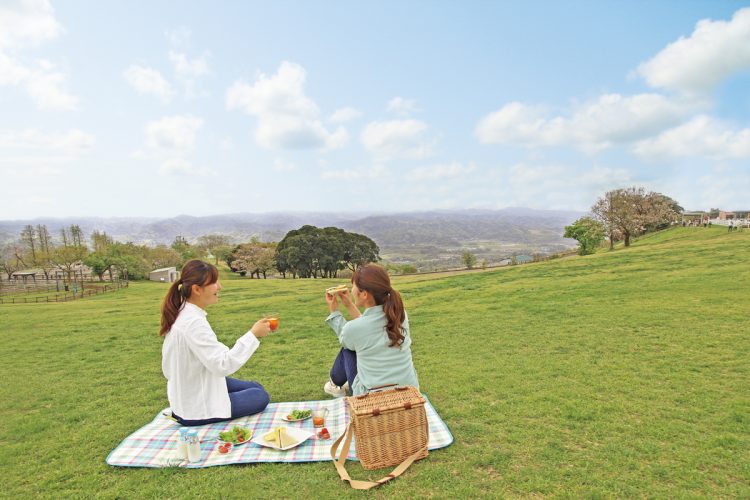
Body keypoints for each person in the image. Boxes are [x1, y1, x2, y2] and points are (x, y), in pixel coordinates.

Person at [160, 259, 271, 426]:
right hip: (195, 409)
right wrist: (253, 335)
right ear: (197, 289)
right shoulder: (192, 323)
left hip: (188, 394)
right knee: (260, 396)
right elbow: (223, 365)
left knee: (256, 387)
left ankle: (209, 395)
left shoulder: (184, 313)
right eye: (214, 282)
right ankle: (212, 406)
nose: (219, 287)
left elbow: (168, 369)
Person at [323, 263, 419, 397]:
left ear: (364, 294)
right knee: (357, 344)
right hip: (408, 392)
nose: (352, 290)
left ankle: (335, 385)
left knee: (348, 350)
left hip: (371, 397)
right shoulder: (399, 315)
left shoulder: (355, 329)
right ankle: (335, 385)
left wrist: (334, 312)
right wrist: (349, 304)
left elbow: (350, 335)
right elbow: (366, 328)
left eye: (354, 286)